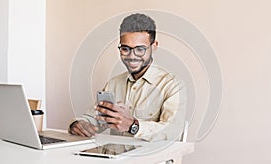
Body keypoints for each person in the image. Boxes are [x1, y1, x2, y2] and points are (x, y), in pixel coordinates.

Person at [69, 13, 186, 141]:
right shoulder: (113, 84)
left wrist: (133, 126)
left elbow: (172, 131)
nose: (132, 56)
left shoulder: (172, 85)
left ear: (154, 46)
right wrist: (78, 124)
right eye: (125, 48)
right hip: (113, 159)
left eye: (140, 49)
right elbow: (94, 119)